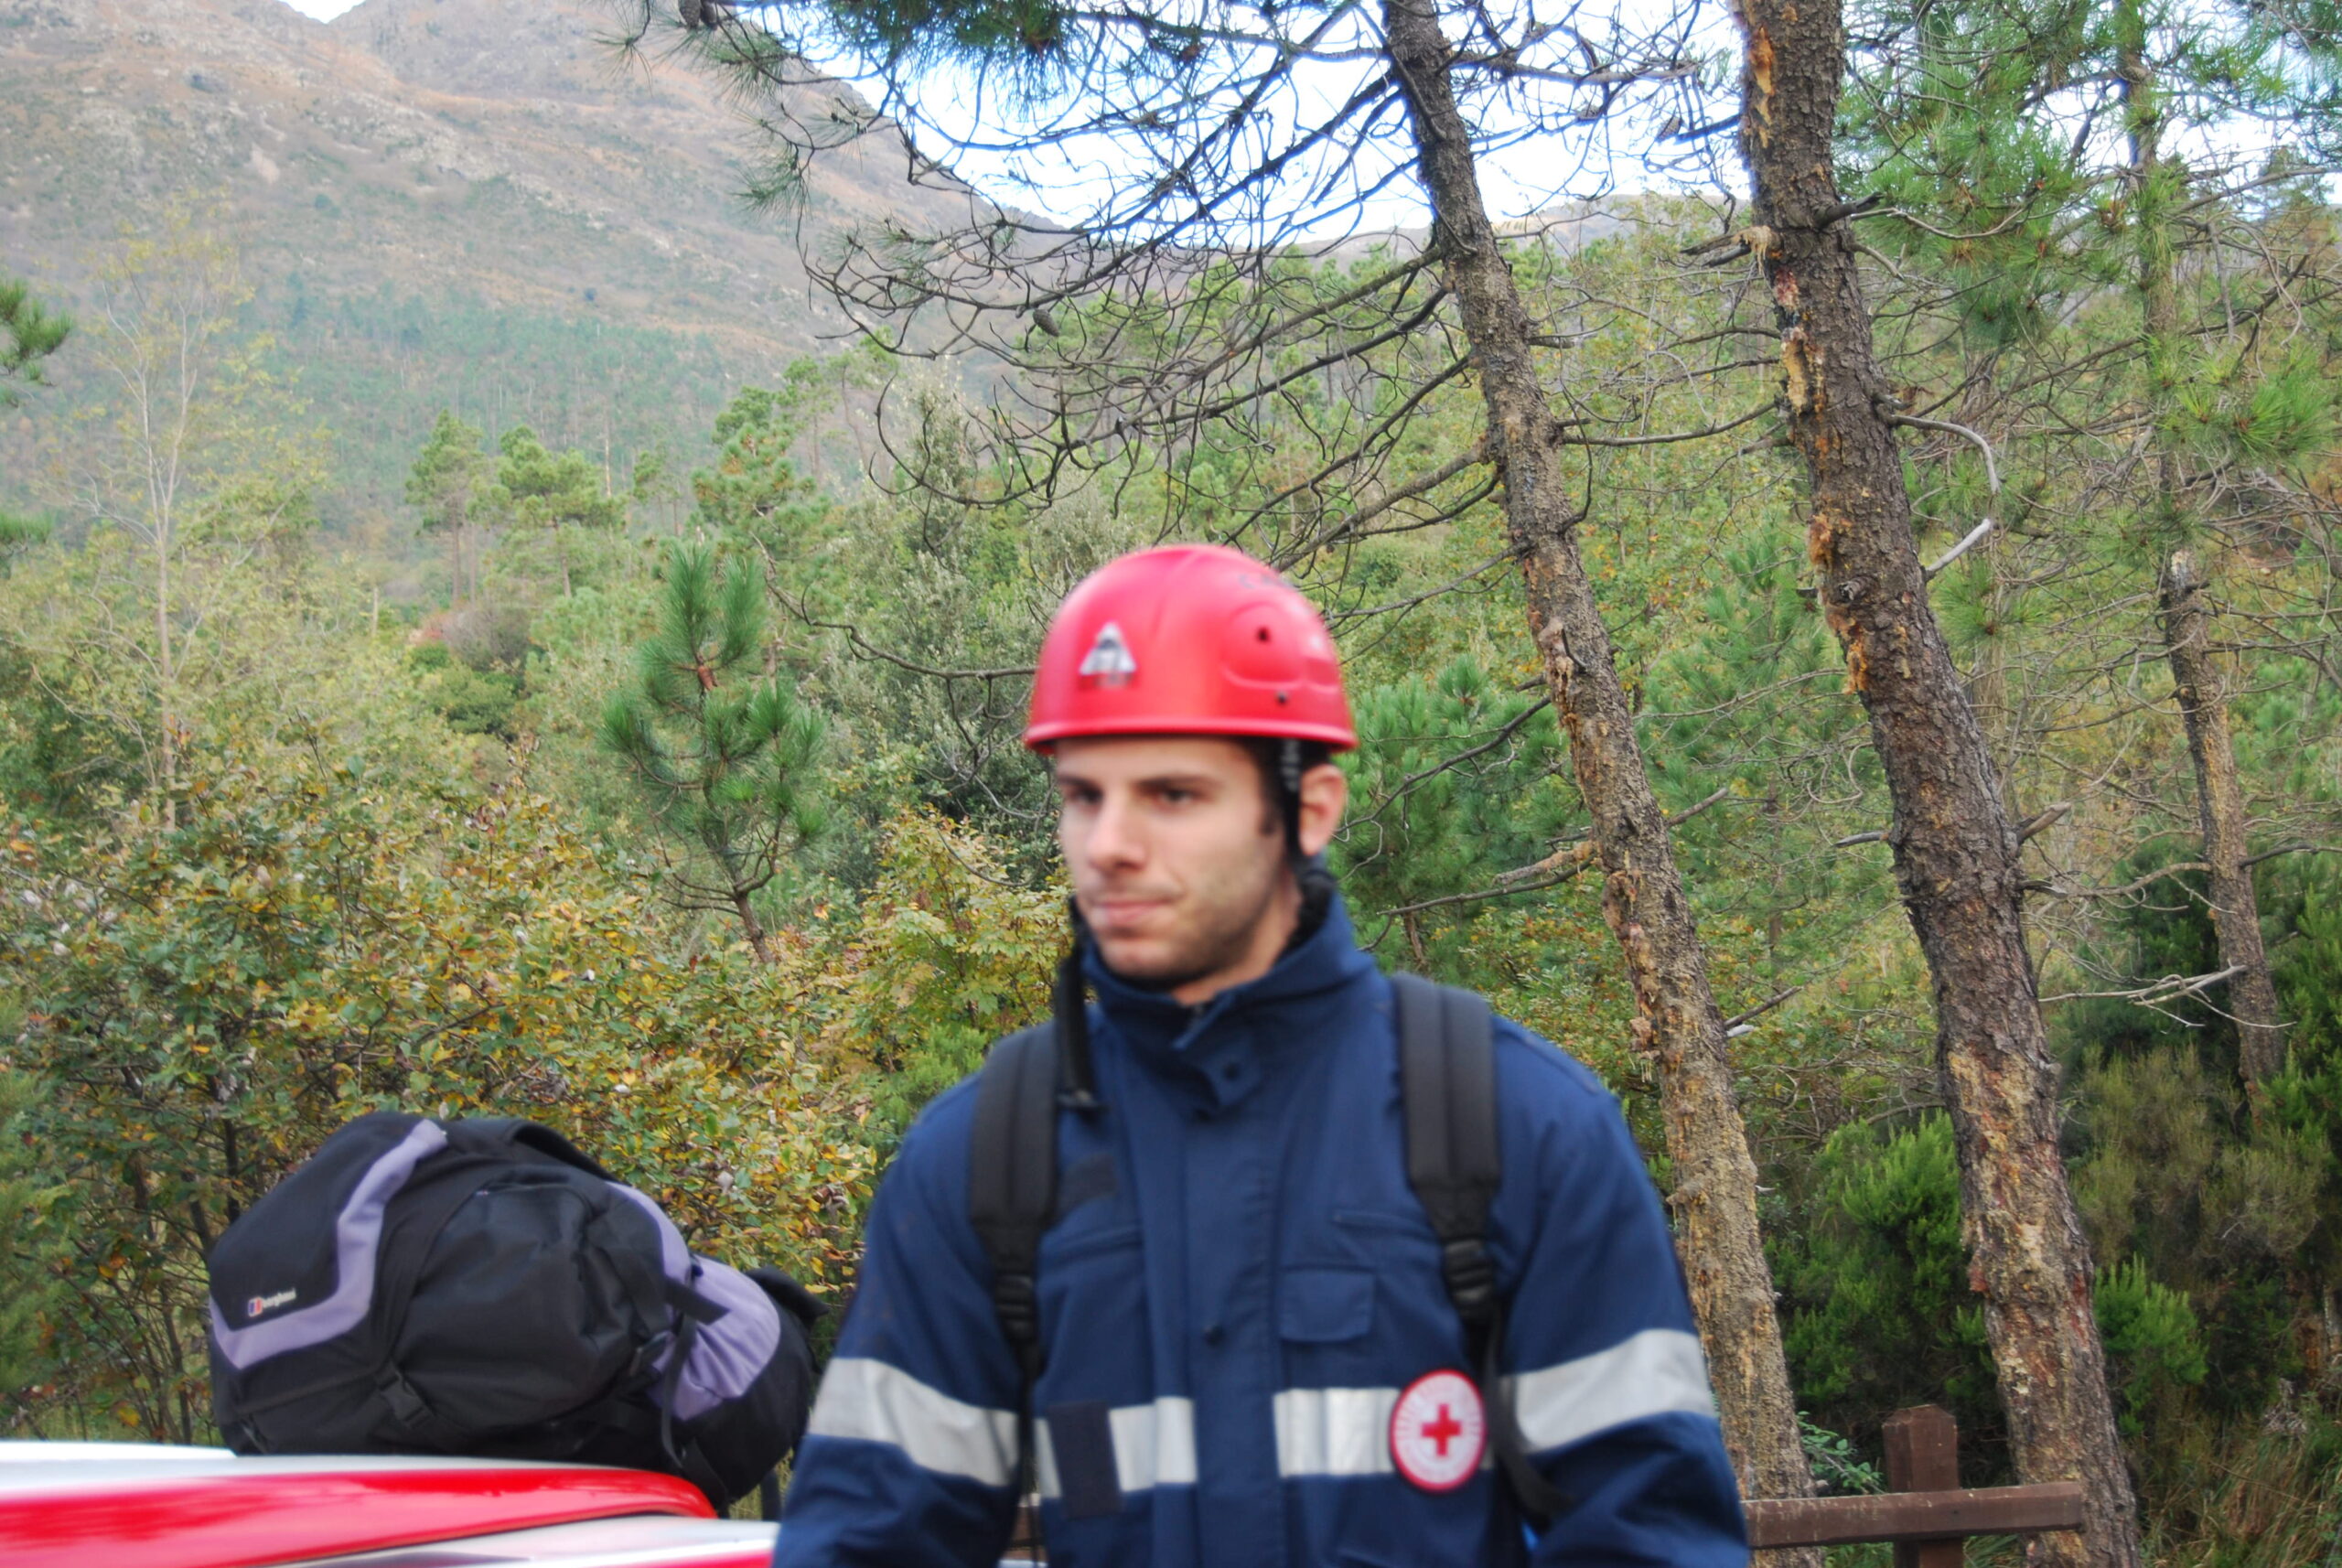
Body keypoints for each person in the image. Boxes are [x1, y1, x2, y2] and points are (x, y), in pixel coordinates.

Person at [769, 544, 1748, 1567]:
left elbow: (1651, 1539)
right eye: (1082, 794)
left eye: (1172, 794)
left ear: (1308, 809)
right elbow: (867, 1545)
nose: (1107, 844)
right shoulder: (984, 1160)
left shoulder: (1515, 1126)